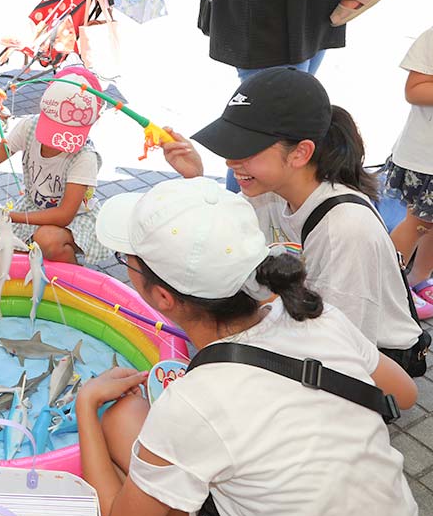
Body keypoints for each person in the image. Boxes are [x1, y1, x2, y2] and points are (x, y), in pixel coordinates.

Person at [80, 177, 418, 516]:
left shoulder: (191, 403)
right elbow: (404, 395)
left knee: (121, 423)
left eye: (128, 260)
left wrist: (86, 404)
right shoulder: (318, 315)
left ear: (163, 297)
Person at [161, 67, 429, 363]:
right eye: (229, 145)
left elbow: (343, 350)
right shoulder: (273, 190)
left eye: (245, 149)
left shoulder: (346, 230)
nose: (229, 160)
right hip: (312, 326)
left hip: (366, 359)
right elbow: (225, 231)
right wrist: (195, 179)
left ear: (300, 153)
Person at [199, 0, 346, 192]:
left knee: (289, 122)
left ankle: (246, 211)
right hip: (267, 2)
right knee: (258, 131)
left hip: (312, 0)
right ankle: (237, 213)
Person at [0, 66, 112, 265]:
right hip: (35, 207)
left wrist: (10, 216)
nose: (59, 140)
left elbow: (64, 215)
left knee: (47, 240)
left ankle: (73, 286)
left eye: (68, 132)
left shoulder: (84, 156)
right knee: (9, 251)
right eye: (54, 130)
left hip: (76, 219)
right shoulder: (29, 127)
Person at [382, 26, 433, 304]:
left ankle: (419, 279)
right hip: (426, 159)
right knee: (418, 222)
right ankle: (387, 286)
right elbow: (414, 90)